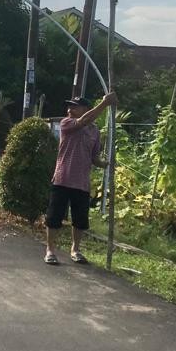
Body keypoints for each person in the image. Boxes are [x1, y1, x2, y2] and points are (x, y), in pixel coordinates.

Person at [44, 93, 116, 265]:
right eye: (69, 106)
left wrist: (107, 164)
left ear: (85, 109)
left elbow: (94, 158)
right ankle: (50, 250)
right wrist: (105, 103)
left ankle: (75, 250)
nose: (69, 110)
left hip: (81, 182)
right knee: (54, 217)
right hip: (63, 178)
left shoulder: (94, 132)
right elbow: (83, 121)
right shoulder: (67, 123)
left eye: (74, 107)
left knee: (80, 220)